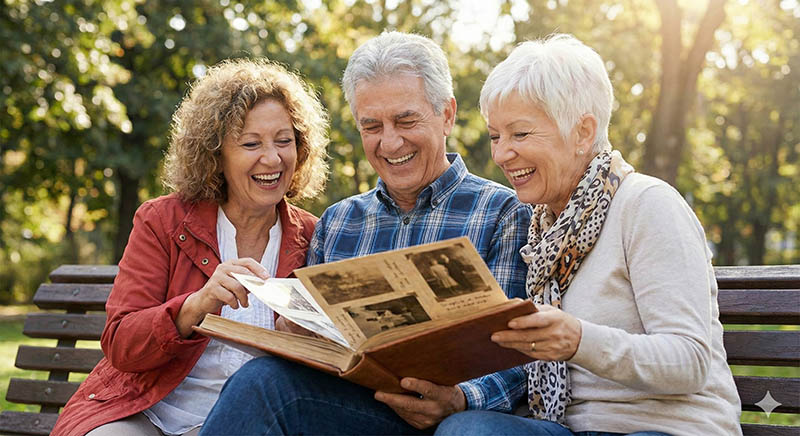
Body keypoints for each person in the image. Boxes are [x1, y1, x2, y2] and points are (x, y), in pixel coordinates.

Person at [200, 31, 532, 435]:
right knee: (261, 380)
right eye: (371, 126)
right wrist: (297, 335)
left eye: (406, 120)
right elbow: (319, 350)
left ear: (446, 114)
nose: (390, 142)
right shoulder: (339, 222)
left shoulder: (505, 212)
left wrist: (461, 399)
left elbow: (525, 351)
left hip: (458, 418)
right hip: (361, 413)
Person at [434, 34, 742, 436]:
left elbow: (690, 360)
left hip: (669, 429)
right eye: (496, 136)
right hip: (572, 430)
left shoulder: (647, 204)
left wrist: (579, 340)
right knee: (466, 431)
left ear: (583, 132)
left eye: (520, 134)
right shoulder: (543, 227)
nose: (501, 154)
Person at [51, 58, 329, 436]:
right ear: (215, 155)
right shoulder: (162, 221)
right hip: (150, 414)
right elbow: (120, 342)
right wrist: (193, 307)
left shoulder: (316, 235)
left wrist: (306, 340)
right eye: (251, 143)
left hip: (251, 421)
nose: (273, 158)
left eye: (285, 141)